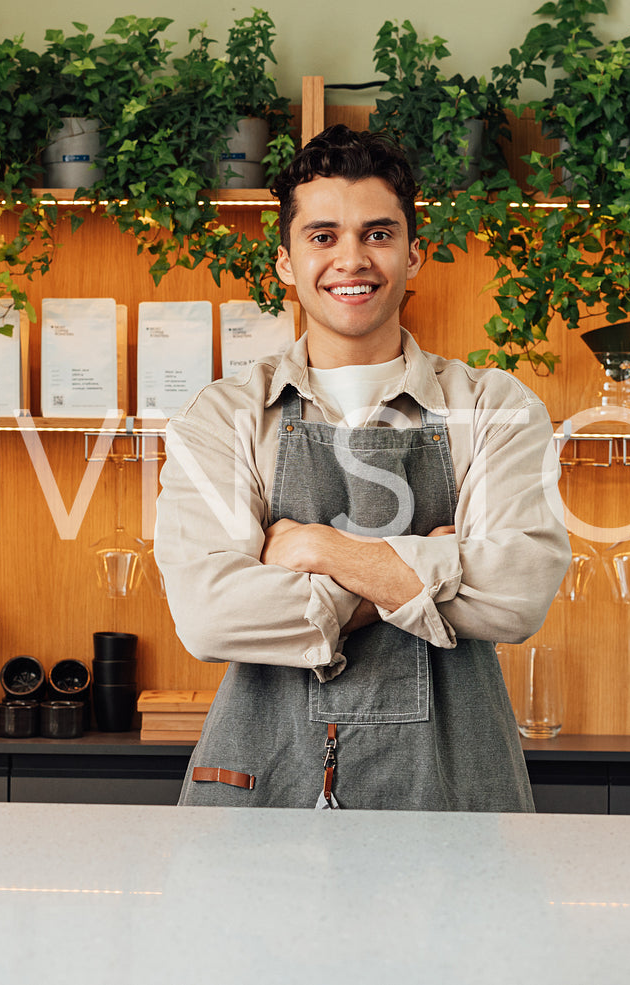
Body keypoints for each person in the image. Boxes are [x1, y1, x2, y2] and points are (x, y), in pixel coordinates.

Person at [154, 124, 569, 811]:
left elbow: (514, 596)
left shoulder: (494, 406)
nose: (352, 259)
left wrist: (318, 548)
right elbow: (209, 615)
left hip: (452, 784)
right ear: (285, 262)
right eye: (322, 237)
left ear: (413, 255)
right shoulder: (222, 415)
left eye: (378, 234)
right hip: (264, 785)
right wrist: (430, 566)